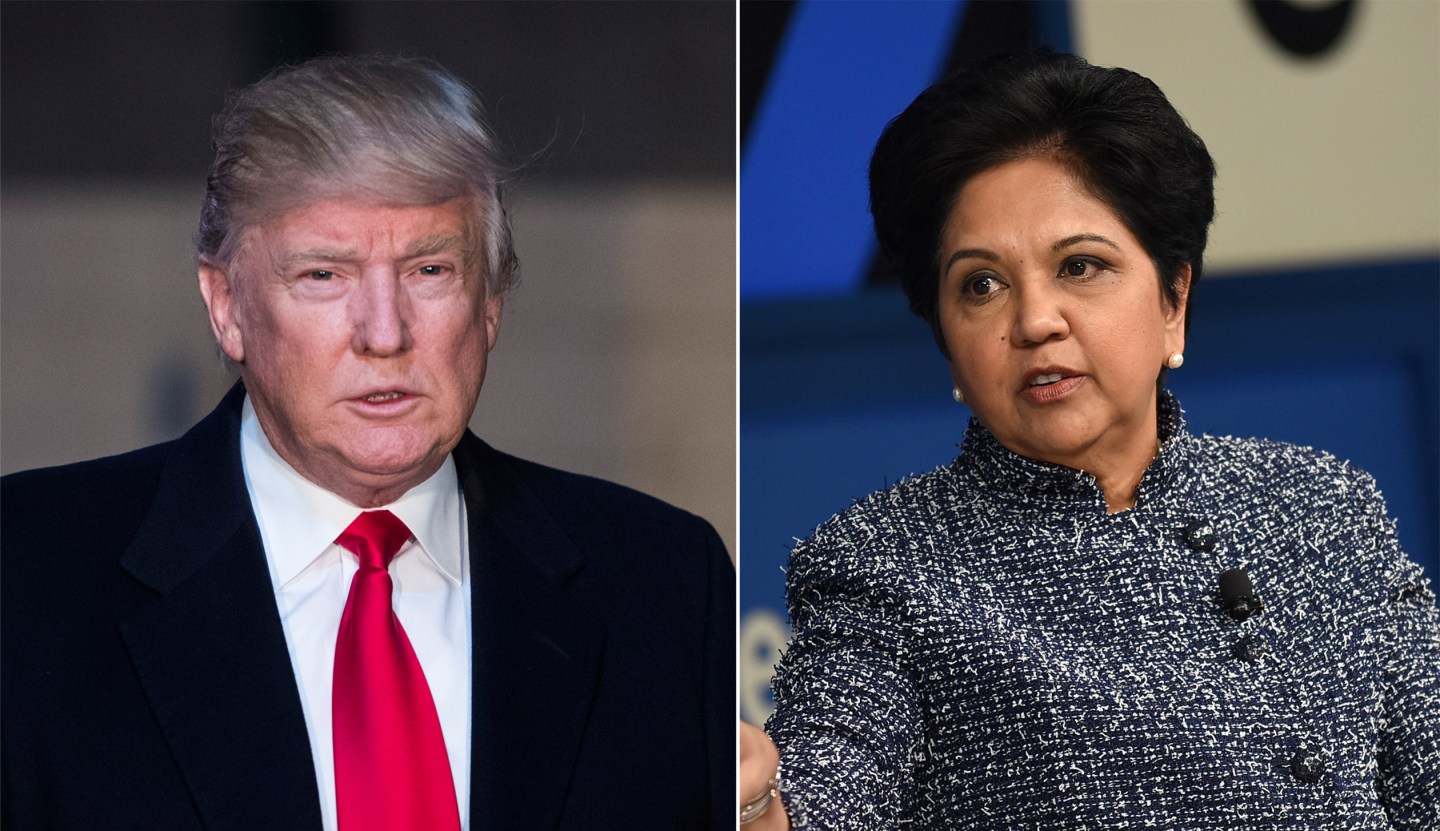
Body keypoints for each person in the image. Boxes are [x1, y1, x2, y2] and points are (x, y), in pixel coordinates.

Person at [2, 55, 734, 831]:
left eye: (429, 268)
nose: (384, 332)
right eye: (323, 274)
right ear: (227, 307)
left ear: (491, 302)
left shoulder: (667, 586)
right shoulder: (26, 578)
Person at [738, 51, 1439, 830]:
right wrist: (760, 803)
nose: (1035, 319)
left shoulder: (1322, 505)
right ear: (946, 340)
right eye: (981, 284)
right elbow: (829, 783)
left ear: (1174, 299)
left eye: (1080, 265)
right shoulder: (885, 567)